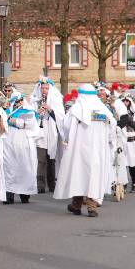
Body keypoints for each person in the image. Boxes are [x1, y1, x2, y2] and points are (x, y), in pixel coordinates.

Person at [54, 84, 116, 217]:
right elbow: (112, 128)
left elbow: (67, 127)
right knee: (94, 175)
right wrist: (110, 142)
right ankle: (91, 206)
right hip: (98, 150)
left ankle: (77, 204)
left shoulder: (76, 109)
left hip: (80, 148)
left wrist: (67, 139)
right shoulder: (103, 110)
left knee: (79, 173)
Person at [3, 92, 39, 204]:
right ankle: (9, 195)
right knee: (9, 168)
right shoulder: (7, 111)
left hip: (24, 145)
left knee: (25, 168)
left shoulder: (29, 112)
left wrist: (11, 121)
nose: (19, 103)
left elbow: (26, 124)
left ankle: (25, 194)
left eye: (20, 101)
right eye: (16, 101)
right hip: (9, 144)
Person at [31, 77, 64, 193]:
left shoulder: (56, 101)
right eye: (42, 88)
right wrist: (36, 113)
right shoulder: (34, 100)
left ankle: (52, 183)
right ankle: (40, 184)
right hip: (40, 133)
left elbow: (60, 118)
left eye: (46, 88)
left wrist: (50, 110)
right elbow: (30, 116)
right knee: (41, 159)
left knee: (51, 159)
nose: (44, 90)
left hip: (51, 133)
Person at [115, 95, 135, 192]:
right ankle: (123, 183)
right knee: (121, 163)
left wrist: (127, 119)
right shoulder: (117, 113)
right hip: (121, 141)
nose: (125, 103)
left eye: (127, 101)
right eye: (123, 101)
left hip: (131, 141)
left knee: (132, 163)